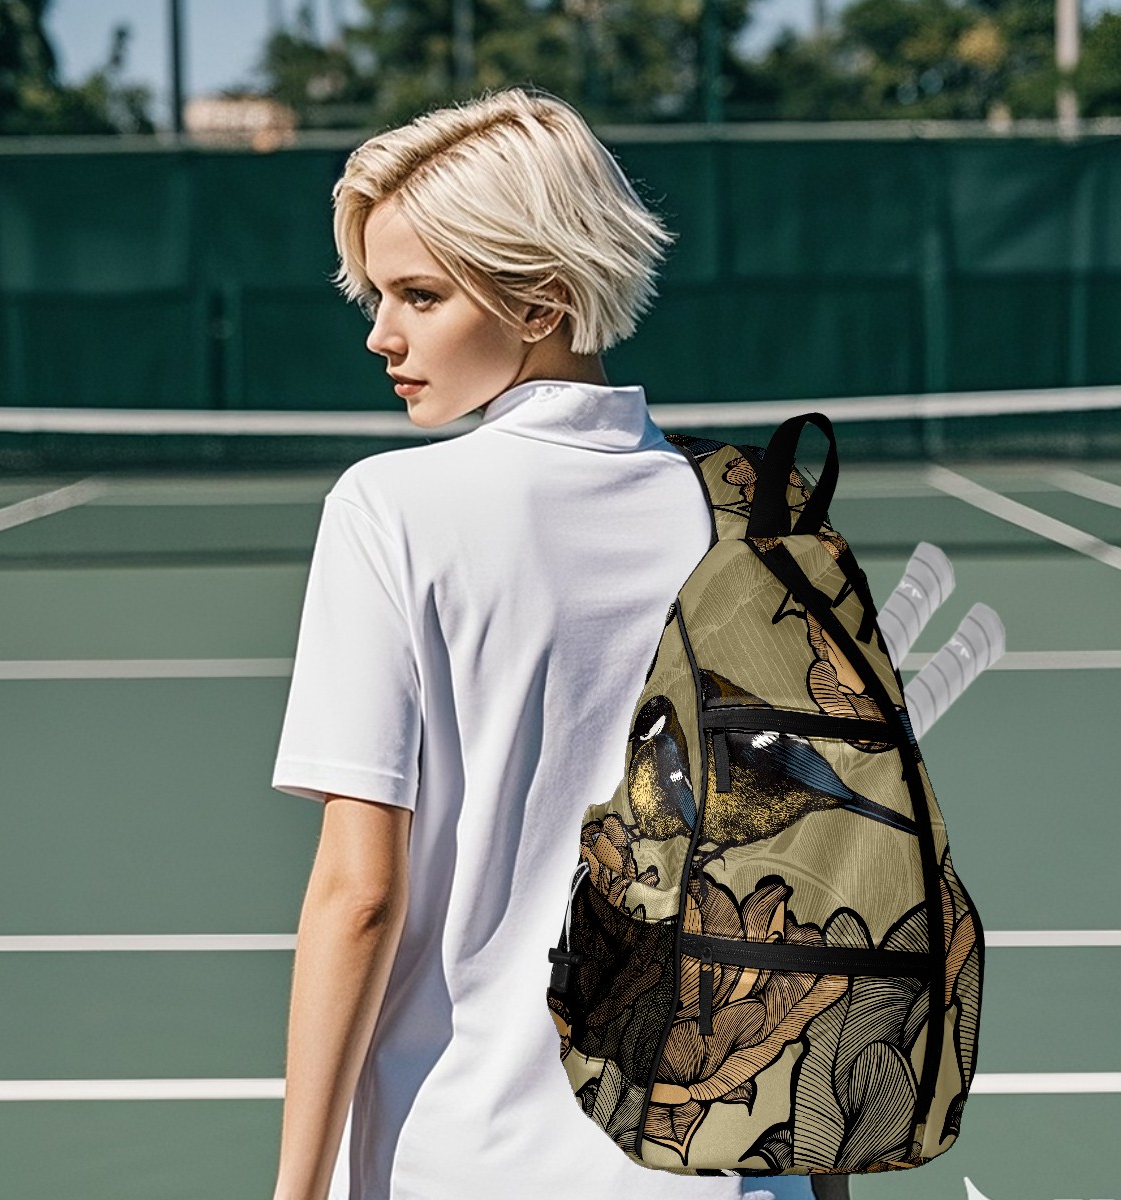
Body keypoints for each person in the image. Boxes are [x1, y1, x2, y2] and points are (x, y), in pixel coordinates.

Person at [268, 83, 852, 1200]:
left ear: (540, 301)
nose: (380, 333)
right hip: (728, 1167)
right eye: (377, 294)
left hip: (465, 1162)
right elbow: (810, 888)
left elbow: (360, 897)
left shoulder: (387, 511)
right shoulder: (758, 513)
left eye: (419, 294)